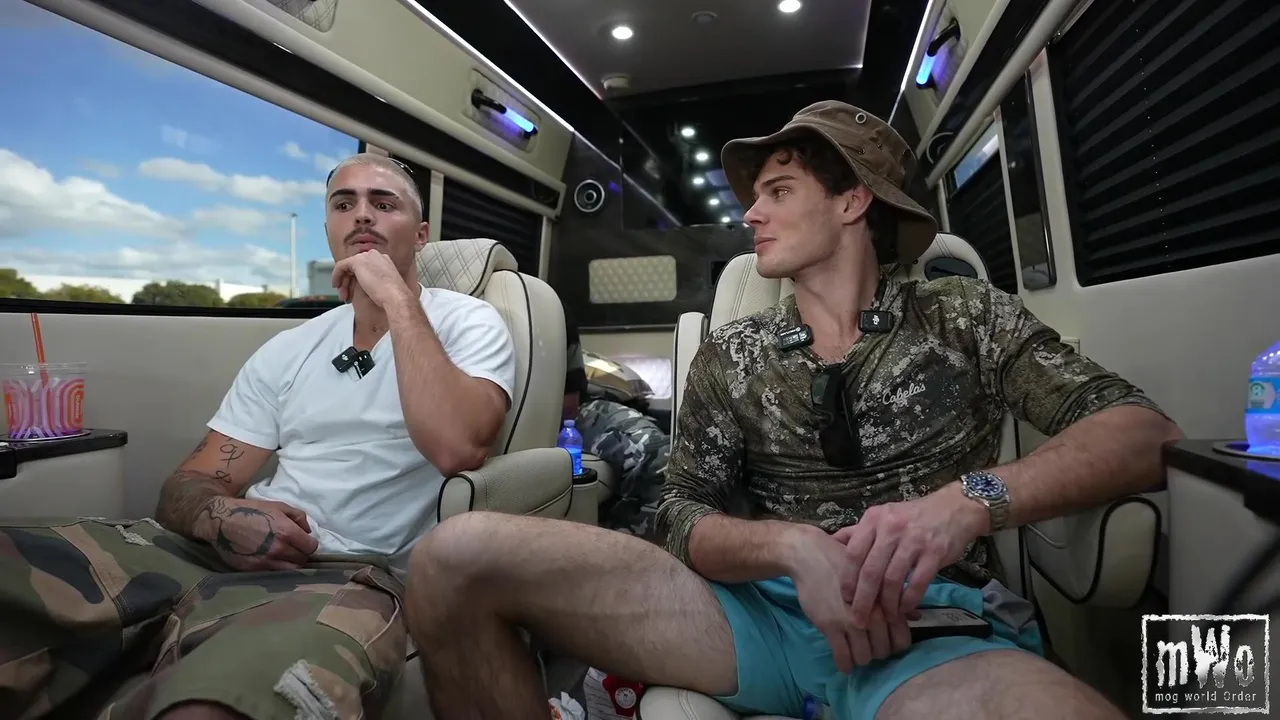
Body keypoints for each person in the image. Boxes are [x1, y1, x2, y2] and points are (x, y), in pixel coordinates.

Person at [403, 102, 1184, 720]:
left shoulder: (964, 316)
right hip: (750, 617)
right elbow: (677, 516)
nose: (751, 214)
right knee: (451, 558)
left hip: (927, 627)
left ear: (852, 200)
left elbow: (1143, 432)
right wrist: (792, 548)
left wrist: (964, 505)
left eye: (778, 192)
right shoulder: (733, 352)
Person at [0, 153, 517, 720]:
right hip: (207, 555)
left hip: (346, 574)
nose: (362, 215)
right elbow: (187, 485)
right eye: (344, 204)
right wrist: (219, 516)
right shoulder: (290, 348)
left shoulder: (468, 322)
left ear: (420, 236)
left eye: (383, 203)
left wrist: (395, 298)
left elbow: (457, 447)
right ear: (330, 229)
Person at [562, 307, 670, 540]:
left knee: (652, 449)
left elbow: (568, 405)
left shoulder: (550, 311)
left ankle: (636, 548)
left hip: (561, 415)